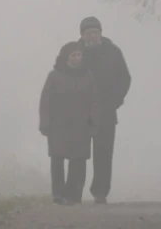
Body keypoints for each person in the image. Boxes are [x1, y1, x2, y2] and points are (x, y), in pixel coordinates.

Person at [39, 41, 101, 205]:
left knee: (79, 162)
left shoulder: (88, 76)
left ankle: (74, 195)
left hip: (81, 126)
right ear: (66, 57)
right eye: (73, 55)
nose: (77, 58)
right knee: (57, 160)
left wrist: (94, 123)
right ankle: (58, 194)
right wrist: (44, 123)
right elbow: (45, 101)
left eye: (79, 54)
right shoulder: (54, 75)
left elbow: (94, 101)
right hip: (58, 125)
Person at [78, 16, 131, 204]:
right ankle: (74, 191)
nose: (92, 36)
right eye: (88, 33)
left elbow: (125, 78)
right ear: (82, 35)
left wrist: (115, 101)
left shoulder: (113, 52)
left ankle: (100, 192)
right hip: (80, 112)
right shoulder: (74, 53)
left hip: (106, 112)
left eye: (95, 32)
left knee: (103, 153)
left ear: (101, 33)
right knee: (78, 152)